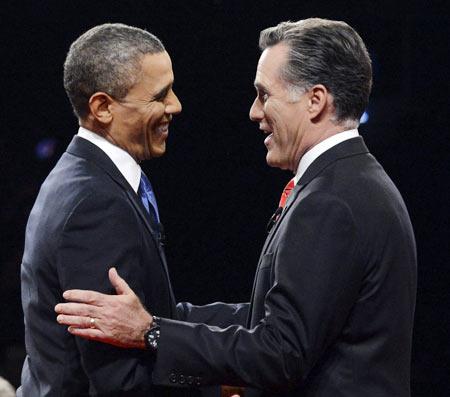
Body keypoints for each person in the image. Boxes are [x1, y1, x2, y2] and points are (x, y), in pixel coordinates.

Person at [56, 18, 417, 396]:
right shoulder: (355, 181)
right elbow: (273, 317)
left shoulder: (332, 201)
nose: (254, 112)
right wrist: (164, 316)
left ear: (315, 100)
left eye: (264, 95)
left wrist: (151, 332)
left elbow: (281, 353)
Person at [18, 23, 197, 396]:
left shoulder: (87, 178)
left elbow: (152, 314)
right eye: (160, 95)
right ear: (102, 107)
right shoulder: (94, 203)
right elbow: (117, 380)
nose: (175, 105)